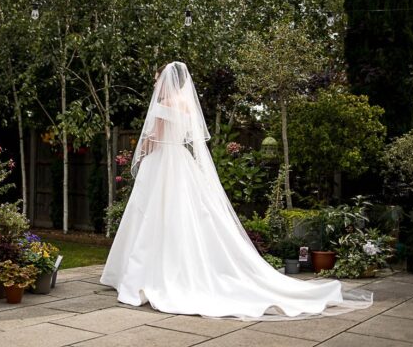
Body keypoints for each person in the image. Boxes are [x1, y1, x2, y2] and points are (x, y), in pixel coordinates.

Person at [100, 61, 373, 320]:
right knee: (182, 216)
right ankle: (179, 268)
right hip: (182, 162)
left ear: (166, 81)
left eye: (157, 78)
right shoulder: (186, 105)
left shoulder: (162, 105)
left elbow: (153, 140)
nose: (155, 82)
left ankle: (147, 273)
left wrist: (140, 157)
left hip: (162, 163)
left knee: (154, 216)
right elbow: (188, 138)